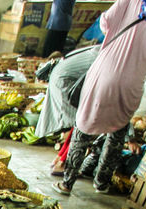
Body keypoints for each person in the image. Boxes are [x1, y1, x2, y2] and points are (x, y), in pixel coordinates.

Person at [54, 0, 146, 196]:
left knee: (84, 126)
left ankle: (67, 183)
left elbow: (105, 22)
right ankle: (102, 182)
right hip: (133, 80)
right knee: (117, 131)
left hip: (104, 70)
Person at [35, 43, 101, 174]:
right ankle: (63, 165)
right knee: (83, 127)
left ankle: (59, 159)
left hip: (62, 79)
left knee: (76, 126)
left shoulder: (98, 50)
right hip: (65, 83)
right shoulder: (107, 57)